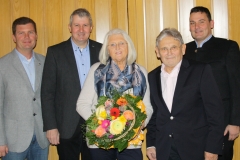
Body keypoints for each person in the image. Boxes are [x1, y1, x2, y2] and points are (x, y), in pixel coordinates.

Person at [146, 28, 224, 160]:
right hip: (164, 149)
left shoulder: (200, 71)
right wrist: (151, 144)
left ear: (183, 49)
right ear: (157, 52)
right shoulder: (152, 77)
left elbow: (215, 112)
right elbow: (154, 115)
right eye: (164, 48)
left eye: (174, 48)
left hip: (195, 148)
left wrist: (212, 147)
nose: (169, 53)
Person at [76, 28, 153, 160]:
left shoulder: (141, 72)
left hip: (130, 141)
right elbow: (81, 104)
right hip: (101, 141)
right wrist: (100, 126)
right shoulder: (97, 70)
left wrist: (139, 124)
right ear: (107, 49)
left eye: (122, 43)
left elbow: (148, 106)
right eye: (112, 44)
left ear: (128, 46)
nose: (117, 47)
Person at [41, 8, 102, 160]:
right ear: (69, 27)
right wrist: (51, 126)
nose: (81, 30)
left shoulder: (102, 51)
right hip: (65, 126)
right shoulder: (55, 52)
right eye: (76, 25)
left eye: (85, 25)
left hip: (96, 124)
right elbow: (47, 93)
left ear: (91, 28)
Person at [184, 6, 240, 160]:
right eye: (192, 23)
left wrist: (235, 122)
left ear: (211, 23)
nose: (197, 27)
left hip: (222, 123)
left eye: (201, 22)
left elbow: (236, 86)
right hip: (192, 124)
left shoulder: (228, 47)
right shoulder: (184, 50)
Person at [0, 17, 49, 160]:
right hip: (13, 140)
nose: (27, 37)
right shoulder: (2, 65)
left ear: (36, 36)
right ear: (14, 37)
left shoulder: (46, 62)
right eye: (21, 33)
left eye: (31, 32)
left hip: (41, 137)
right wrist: (0, 140)